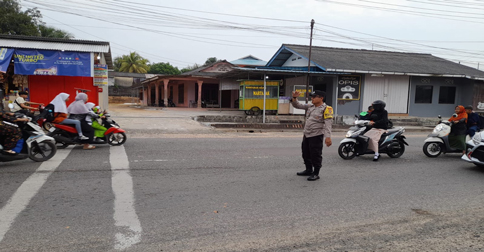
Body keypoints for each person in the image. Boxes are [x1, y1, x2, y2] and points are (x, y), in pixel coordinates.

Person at [290, 90, 333, 181]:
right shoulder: (310, 106)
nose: (312, 98)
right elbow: (297, 105)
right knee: (305, 153)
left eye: (314, 97)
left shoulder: (326, 109)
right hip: (307, 134)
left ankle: (316, 173)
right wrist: (294, 98)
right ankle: (308, 170)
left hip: (316, 135)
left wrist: (328, 137)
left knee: (315, 154)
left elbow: (328, 124)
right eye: (311, 97)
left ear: (321, 98)